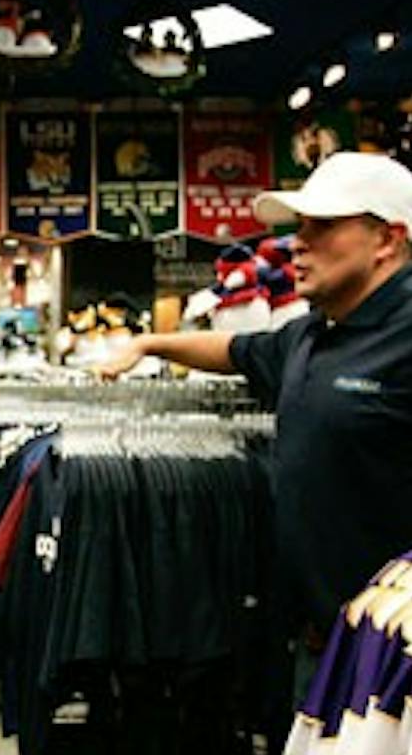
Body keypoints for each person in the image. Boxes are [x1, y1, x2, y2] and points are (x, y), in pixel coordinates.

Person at [99, 151, 412, 647]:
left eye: (322, 227)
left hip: (394, 655)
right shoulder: (311, 333)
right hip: (320, 641)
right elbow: (234, 350)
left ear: (388, 240)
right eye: (300, 226)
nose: (296, 244)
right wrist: (150, 343)